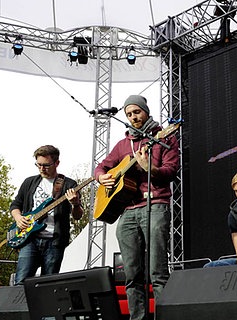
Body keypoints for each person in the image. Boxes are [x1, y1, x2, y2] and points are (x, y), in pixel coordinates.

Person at [95, 95, 179, 320]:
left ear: (146, 111)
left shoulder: (164, 137)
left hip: (156, 205)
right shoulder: (123, 144)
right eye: (129, 114)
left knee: (158, 272)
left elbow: (172, 170)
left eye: (137, 112)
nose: (133, 117)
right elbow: (102, 166)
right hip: (128, 211)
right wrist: (102, 177)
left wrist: (150, 168)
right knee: (132, 275)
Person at [10, 145, 83, 285]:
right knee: (20, 282)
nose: (42, 169)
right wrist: (18, 218)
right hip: (29, 239)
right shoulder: (29, 182)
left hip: (54, 242)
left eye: (46, 165)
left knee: (48, 285)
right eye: (38, 165)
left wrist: (75, 204)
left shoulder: (69, 184)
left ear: (57, 163)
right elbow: (15, 205)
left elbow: (78, 216)